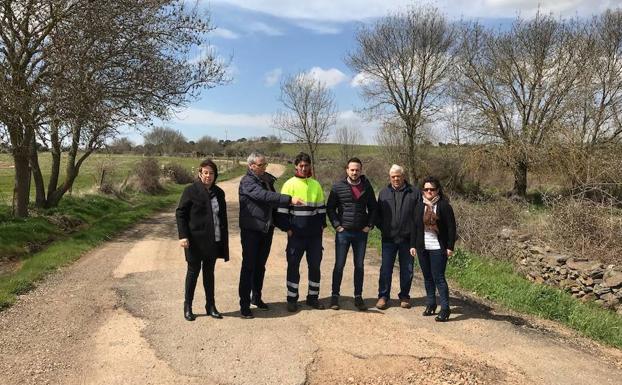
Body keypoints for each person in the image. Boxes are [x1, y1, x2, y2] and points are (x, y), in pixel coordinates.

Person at [238, 152, 303, 319]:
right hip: (251, 229)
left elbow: (273, 206)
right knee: (248, 267)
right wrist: (288, 199)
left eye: (265, 164)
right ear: (251, 166)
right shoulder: (247, 182)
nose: (264, 167)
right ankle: (244, 305)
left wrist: (284, 225)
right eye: (261, 165)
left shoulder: (267, 180)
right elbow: (263, 196)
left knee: (260, 265)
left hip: (266, 230)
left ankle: (256, 297)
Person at [176, 159, 229, 321]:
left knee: (209, 273)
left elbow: (221, 218)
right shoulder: (190, 191)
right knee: (193, 273)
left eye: (211, 173)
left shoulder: (219, 193)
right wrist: (183, 236)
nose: (208, 176)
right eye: (205, 173)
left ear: (215, 175)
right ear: (200, 174)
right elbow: (180, 213)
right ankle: (188, 306)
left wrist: (223, 240)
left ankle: (210, 305)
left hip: (213, 240)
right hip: (194, 240)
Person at [276, 152, 326, 312]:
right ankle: (292, 299)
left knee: (315, 267)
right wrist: (288, 229)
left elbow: (321, 211)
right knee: (293, 267)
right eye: (301, 166)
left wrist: (320, 229)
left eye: (306, 165)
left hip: (314, 237)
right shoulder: (289, 185)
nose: (304, 168)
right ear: (296, 166)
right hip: (296, 235)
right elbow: (282, 212)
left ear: (310, 166)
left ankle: (313, 298)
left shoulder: (316, 185)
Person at [326, 157, 377, 311]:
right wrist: (337, 225)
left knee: (359, 266)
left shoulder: (367, 187)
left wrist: (369, 225)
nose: (354, 172)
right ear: (347, 170)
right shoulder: (337, 187)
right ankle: (335, 296)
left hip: (361, 234)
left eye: (357, 170)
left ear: (361, 171)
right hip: (344, 233)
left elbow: (373, 208)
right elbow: (330, 208)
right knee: (339, 265)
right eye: (352, 169)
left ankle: (358, 296)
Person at [409, 176, 457, 322]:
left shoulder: (444, 206)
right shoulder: (419, 206)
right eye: (426, 189)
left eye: (432, 189)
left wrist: (449, 247)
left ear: (437, 190)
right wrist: (413, 245)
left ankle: (445, 308)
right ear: (423, 191)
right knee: (428, 277)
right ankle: (431, 304)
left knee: (439, 278)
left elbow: (451, 228)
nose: (429, 191)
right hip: (423, 246)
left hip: (438, 247)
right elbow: (414, 227)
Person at [374, 164, 421, 310]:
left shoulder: (414, 192)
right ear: (390, 177)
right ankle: (383, 296)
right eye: (393, 176)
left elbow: (418, 216)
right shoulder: (383, 193)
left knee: (407, 269)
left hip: (407, 239)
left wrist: (414, 235)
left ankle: (405, 296)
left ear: (403, 176)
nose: (396, 179)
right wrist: (385, 229)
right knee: (386, 269)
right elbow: (378, 215)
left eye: (398, 176)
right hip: (389, 239)